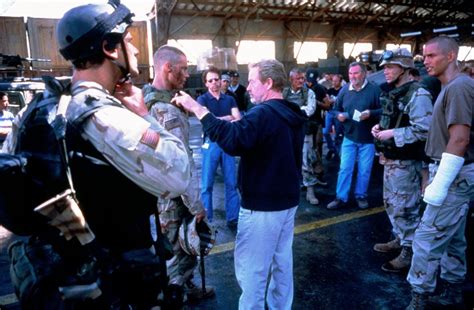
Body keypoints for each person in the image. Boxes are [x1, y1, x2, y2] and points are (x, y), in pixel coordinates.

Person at [6, 2, 191, 308]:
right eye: (128, 40)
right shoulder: (106, 118)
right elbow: (179, 174)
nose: (133, 47)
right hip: (113, 287)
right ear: (109, 47)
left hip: (65, 280)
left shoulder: (36, 110)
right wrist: (146, 116)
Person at [172, 58, 306, 310]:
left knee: (252, 271)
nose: (249, 86)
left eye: (253, 81)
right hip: (287, 202)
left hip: (262, 206)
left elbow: (233, 141)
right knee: (281, 264)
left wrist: (198, 110)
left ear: (268, 83)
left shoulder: (263, 113)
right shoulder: (291, 111)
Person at [406, 36, 474, 309]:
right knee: (454, 236)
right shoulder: (451, 87)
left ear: (451, 56)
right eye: (424, 56)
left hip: (454, 174)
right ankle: (454, 289)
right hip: (451, 172)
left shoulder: (459, 88)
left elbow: (459, 139)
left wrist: (439, 184)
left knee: (425, 238)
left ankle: (418, 297)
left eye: (432, 55)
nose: (426, 61)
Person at [142, 45, 213, 304]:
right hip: (175, 194)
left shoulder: (146, 98)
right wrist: (196, 206)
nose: (186, 74)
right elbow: (180, 162)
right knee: (183, 250)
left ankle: (182, 286)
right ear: (167, 68)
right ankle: (176, 294)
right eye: (182, 69)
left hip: (158, 190)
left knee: (171, 248)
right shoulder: (167, 111)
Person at [371, 48, 433, 273]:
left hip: (407, 162)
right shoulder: (395, 92)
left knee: (406, 207)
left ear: (405, 68)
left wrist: (392, 135)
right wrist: (380, 128)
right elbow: (394, 119)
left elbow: (425, 130)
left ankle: (409, 250)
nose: (385, 71)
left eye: (390, 67)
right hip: (391, 159)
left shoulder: (418, 94)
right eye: (385, 67)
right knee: (392, 203)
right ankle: (400, 238)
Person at [326, 62, 382, 210]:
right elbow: (335, 109)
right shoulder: (345, 90)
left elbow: (384, 110)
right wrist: (339, 115)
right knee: (345, 168)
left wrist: (370, 113)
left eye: (356, 73)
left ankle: (361, 196)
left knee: (365, 170)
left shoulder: (375, 90)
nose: (353, 77)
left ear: (364, 74)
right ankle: (340, 197)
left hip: (368, 139)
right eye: (350, 74)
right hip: (349, 137)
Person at [197, 67, 241, 229]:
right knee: (207, 184)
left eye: (216, 79)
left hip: (227, 143)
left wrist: (216, 120)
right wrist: (228, 118)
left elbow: (238, 118)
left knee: (231, 182)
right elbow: (206, 120)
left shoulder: (229, 99)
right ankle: (206, 218)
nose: (214, 83)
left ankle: (233, 218)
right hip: (212, 143)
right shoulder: (202, 100)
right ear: (206, 83)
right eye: (210, 80)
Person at [283, 68, 320, 205]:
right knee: (287, 160)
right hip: (287, 132)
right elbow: (280, 108)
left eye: (302, 78)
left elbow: (310, 110)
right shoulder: (284, 92)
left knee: (307, 160)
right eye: (298, 78)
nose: (301, 81)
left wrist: (291, 110)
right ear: (291, 79)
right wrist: (298, 110)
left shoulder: (309, 92)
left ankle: (310, 191)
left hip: (304, 131)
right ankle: (289, 189)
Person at [323, 74, 344, 160]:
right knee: (325, 132)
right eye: (333, 81)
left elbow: (341, 101)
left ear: (340, 81)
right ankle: (332, 148)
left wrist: (333, 100)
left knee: (338, 134)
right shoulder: (330, 90)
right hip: (330, 112)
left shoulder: (343, 90)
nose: (334, 83)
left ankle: (337, 153)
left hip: (338, 112)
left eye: (336, 81)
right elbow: (327, 101)